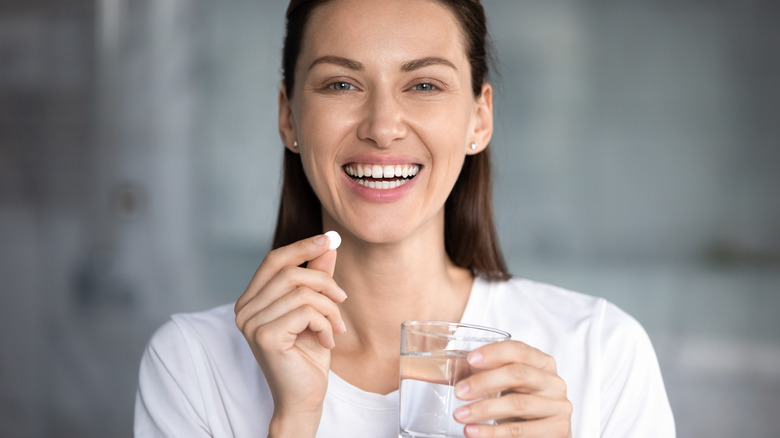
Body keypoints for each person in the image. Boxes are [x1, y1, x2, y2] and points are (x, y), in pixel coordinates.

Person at [134, 0, 675, 437]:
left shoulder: (600, 351)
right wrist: (294, 423)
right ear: (288, 116)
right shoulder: (192, 364)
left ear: (479, 119)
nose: (383, 126)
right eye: (341, 84)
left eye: (423, 85)